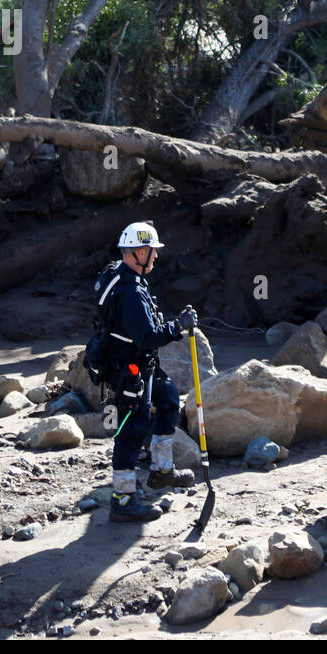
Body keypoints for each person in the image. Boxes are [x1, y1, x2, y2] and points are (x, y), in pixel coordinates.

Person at [97, 221, 198, 523]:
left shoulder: (123, 276)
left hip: (140, 362)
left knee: (168, 397)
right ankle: (123, 500)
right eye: (152, 252)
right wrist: (178, 327)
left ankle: (161, 471)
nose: (156, 257)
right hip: (130, 368)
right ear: (140, 252)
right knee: (132, 429)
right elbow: (147, 336)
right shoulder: (129, 291)